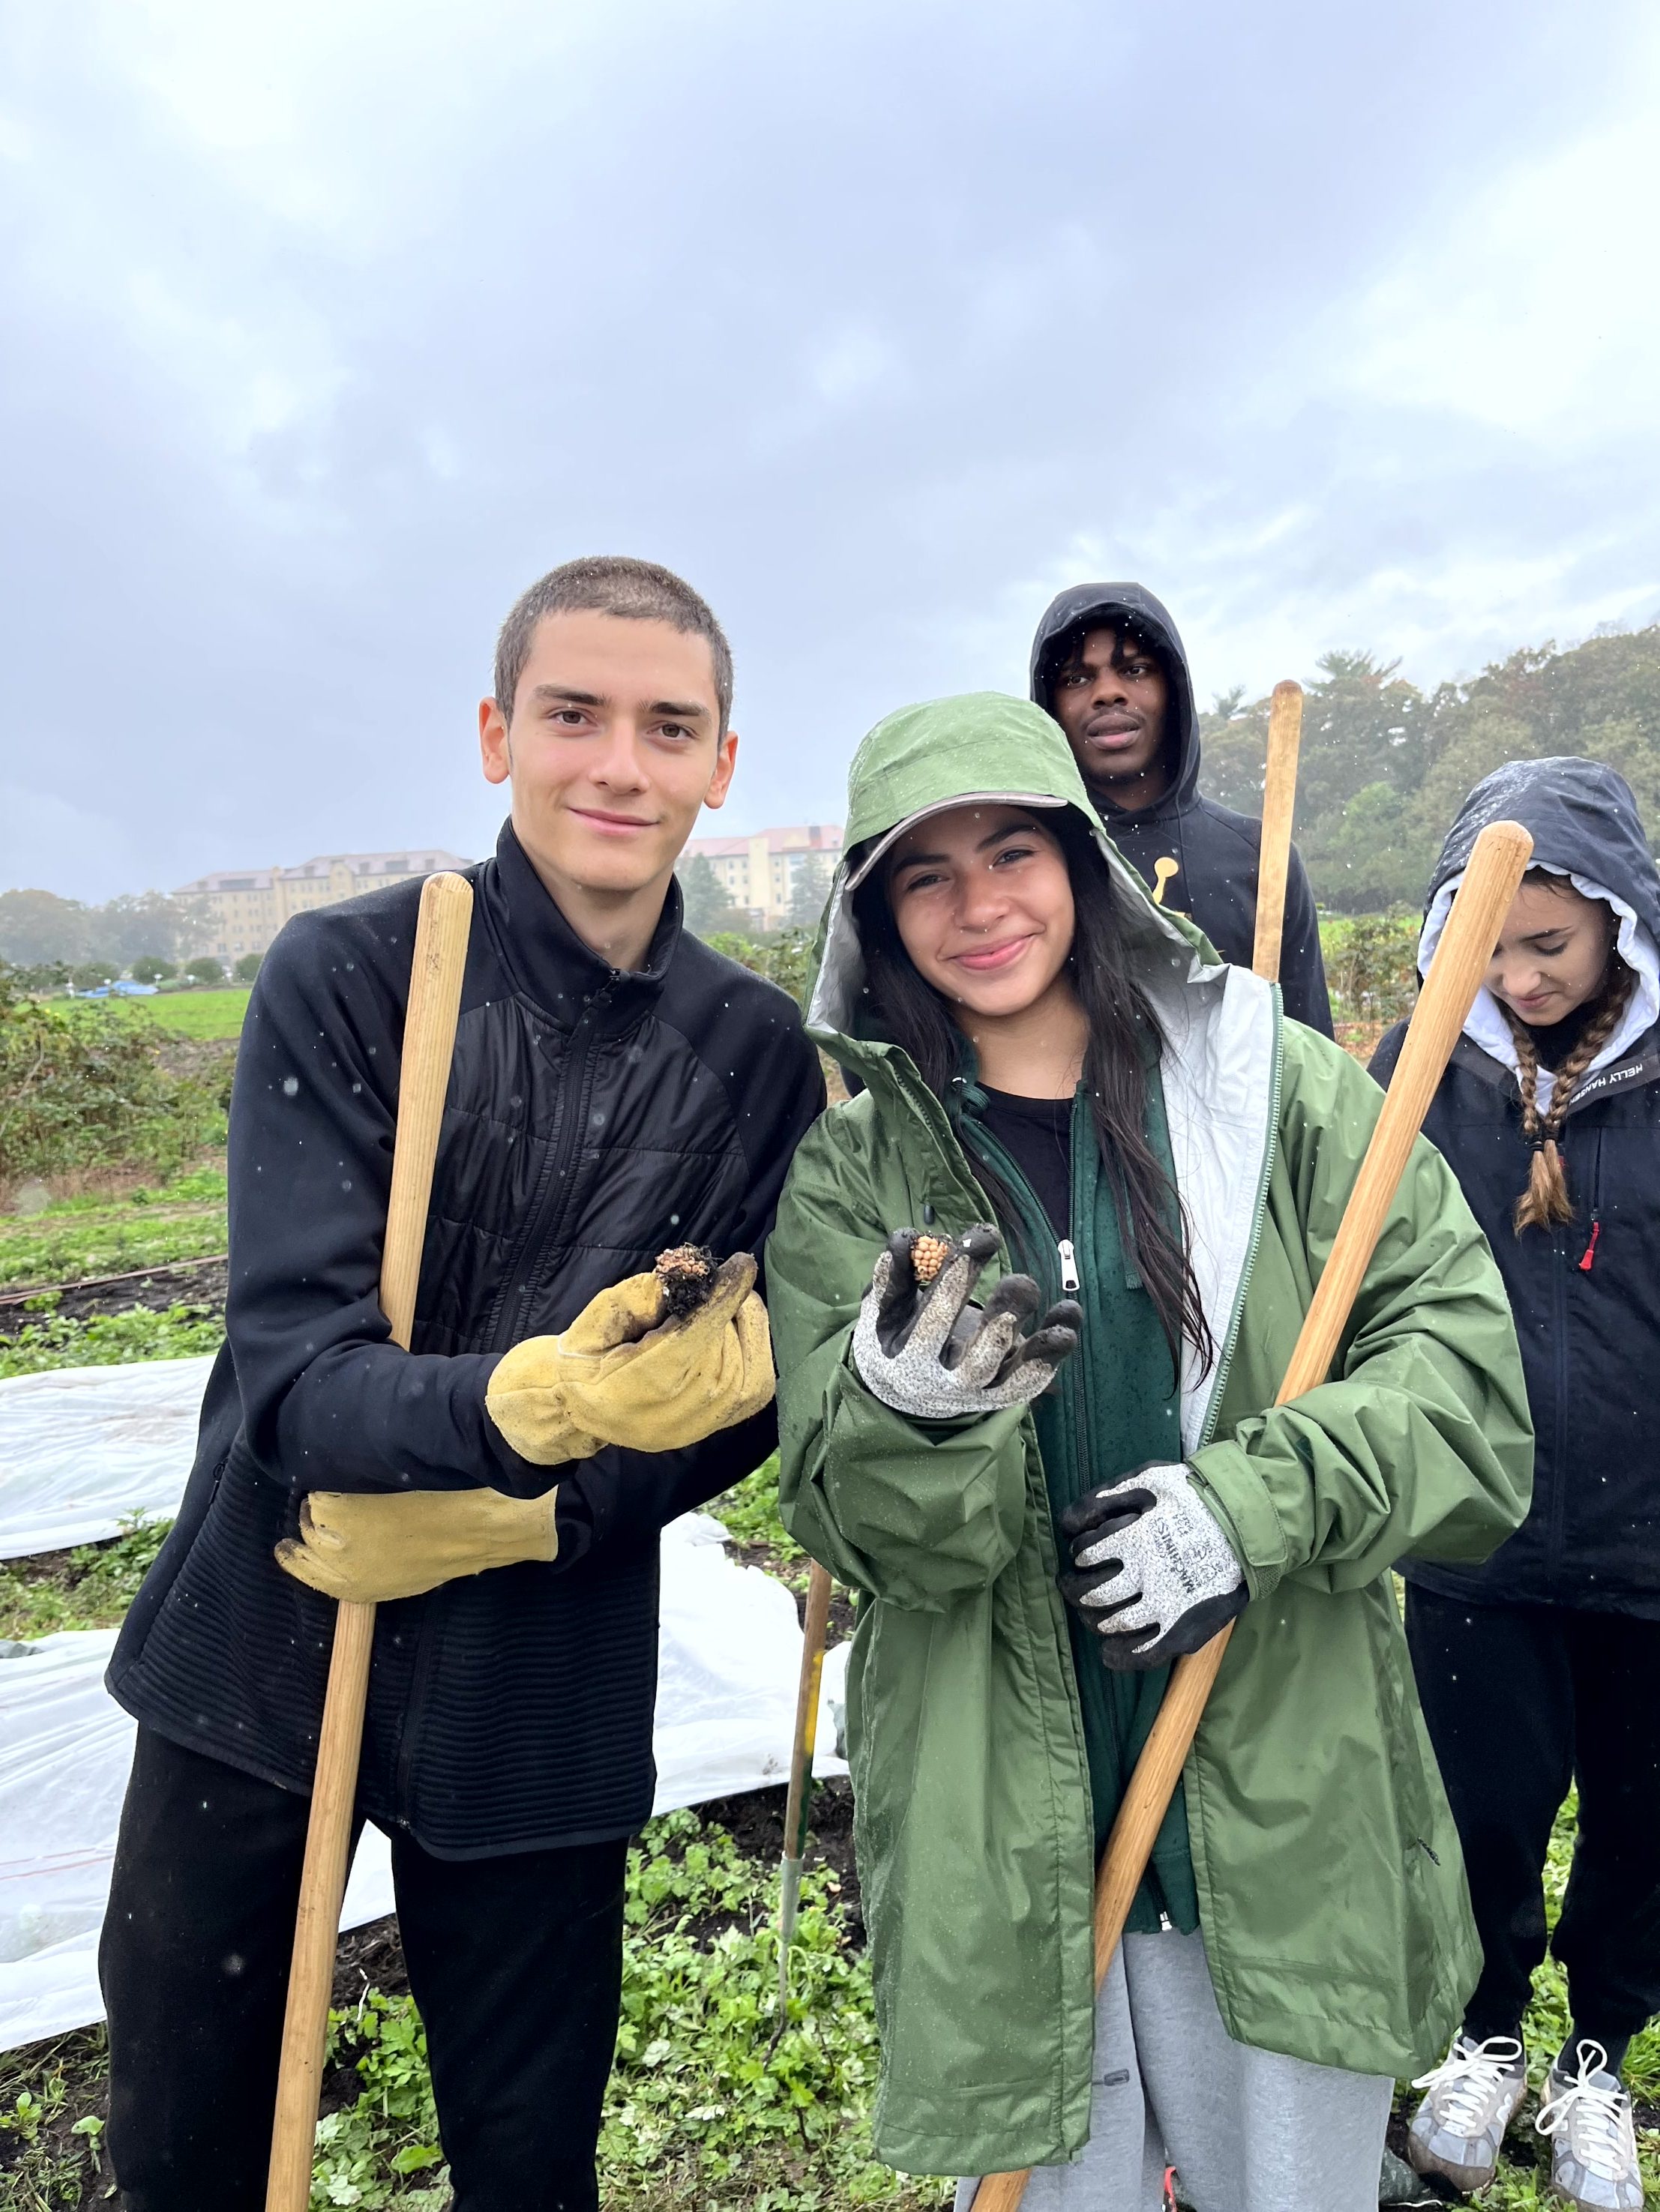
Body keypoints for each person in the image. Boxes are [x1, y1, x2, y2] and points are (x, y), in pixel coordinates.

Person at [97, 556, 826, 2212]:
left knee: (527, 2157)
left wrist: (540, 1513)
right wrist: (519, 1408)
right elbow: (292, 1372)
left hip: (540, 1684)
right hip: (266, 1634)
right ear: (500, 732)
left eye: (667, 726)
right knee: (184, 2148)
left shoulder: (756, 1054)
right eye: (573, 713)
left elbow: (738, 1392)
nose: (616, 765)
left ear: (723, 762)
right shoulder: (354, 970)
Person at [767, 690, 1530, 2211]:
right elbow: (862, 1526)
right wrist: (913, 1423)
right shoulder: (855, 1173)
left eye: (1011, 850)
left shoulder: (1273, 1093)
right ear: (874, 911)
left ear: (1083, 856)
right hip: (1007, 1819)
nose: (979, 904)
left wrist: (1247, 1506)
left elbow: (1468, 1393)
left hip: (1274, 1774)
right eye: (925, 873)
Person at [1386, 759, 1660, 2212]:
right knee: (1481, 1808)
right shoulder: (1424, 1067)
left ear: (1621, 920)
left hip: (1650, 1535)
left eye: (1548, 942)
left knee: (1641, 1818)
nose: (1519, 974)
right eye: (1488, 944)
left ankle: (1599, 2061)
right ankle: (1485, 2038)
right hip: (1474, 1526)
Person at [1029, 582, 1334, 1035]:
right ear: (1049, 707)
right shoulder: (1028, 859)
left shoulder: (1260, 856)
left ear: (1173, 689)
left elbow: (1311, 1055)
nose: (1107, 692)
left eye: (1134, 670)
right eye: (1076, 678)